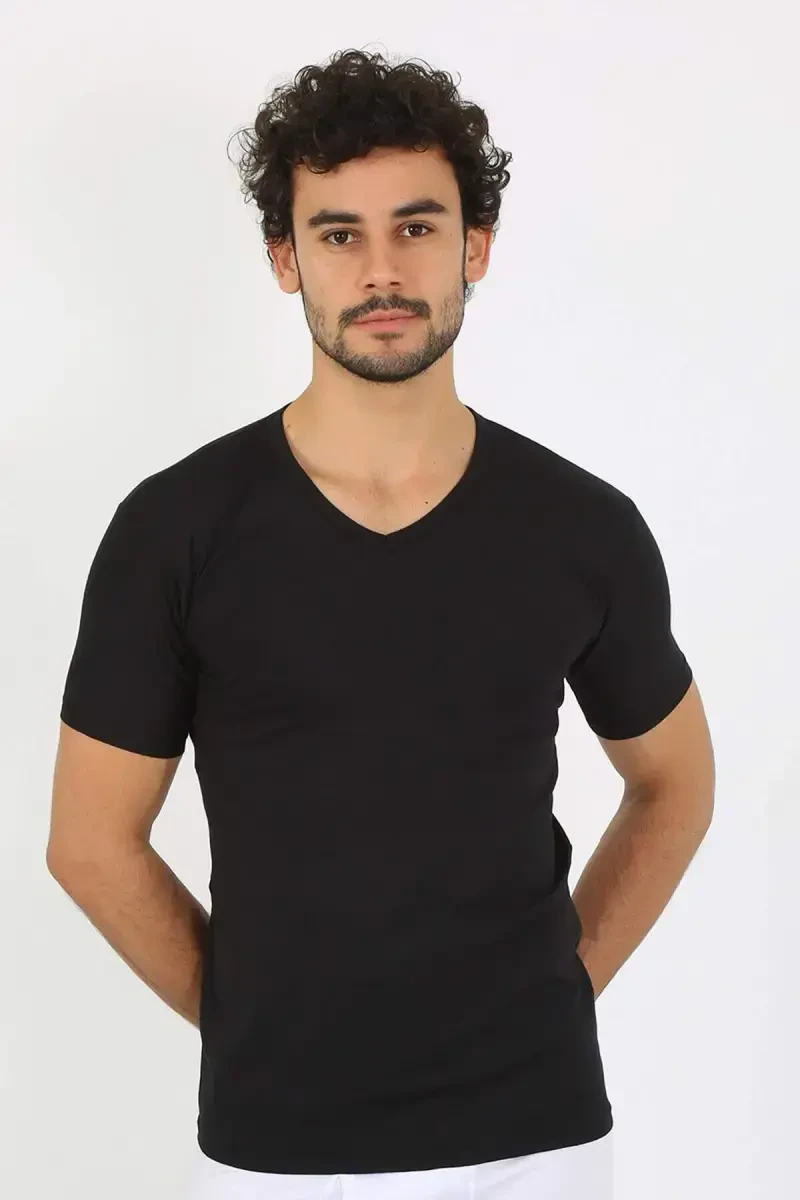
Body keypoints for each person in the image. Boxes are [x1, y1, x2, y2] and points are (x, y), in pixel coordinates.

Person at [47, 48, 715, 1200]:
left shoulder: (579, 527)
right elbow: (89, 843)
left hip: (537, 1144)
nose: (380, 270)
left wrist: (560, 988)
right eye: (337, 233)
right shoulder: (176, 530)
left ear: (474, 247)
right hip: (278, 1153)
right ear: (285, 259)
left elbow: (674, 783)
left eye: (415, 226)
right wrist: (250, 1025)